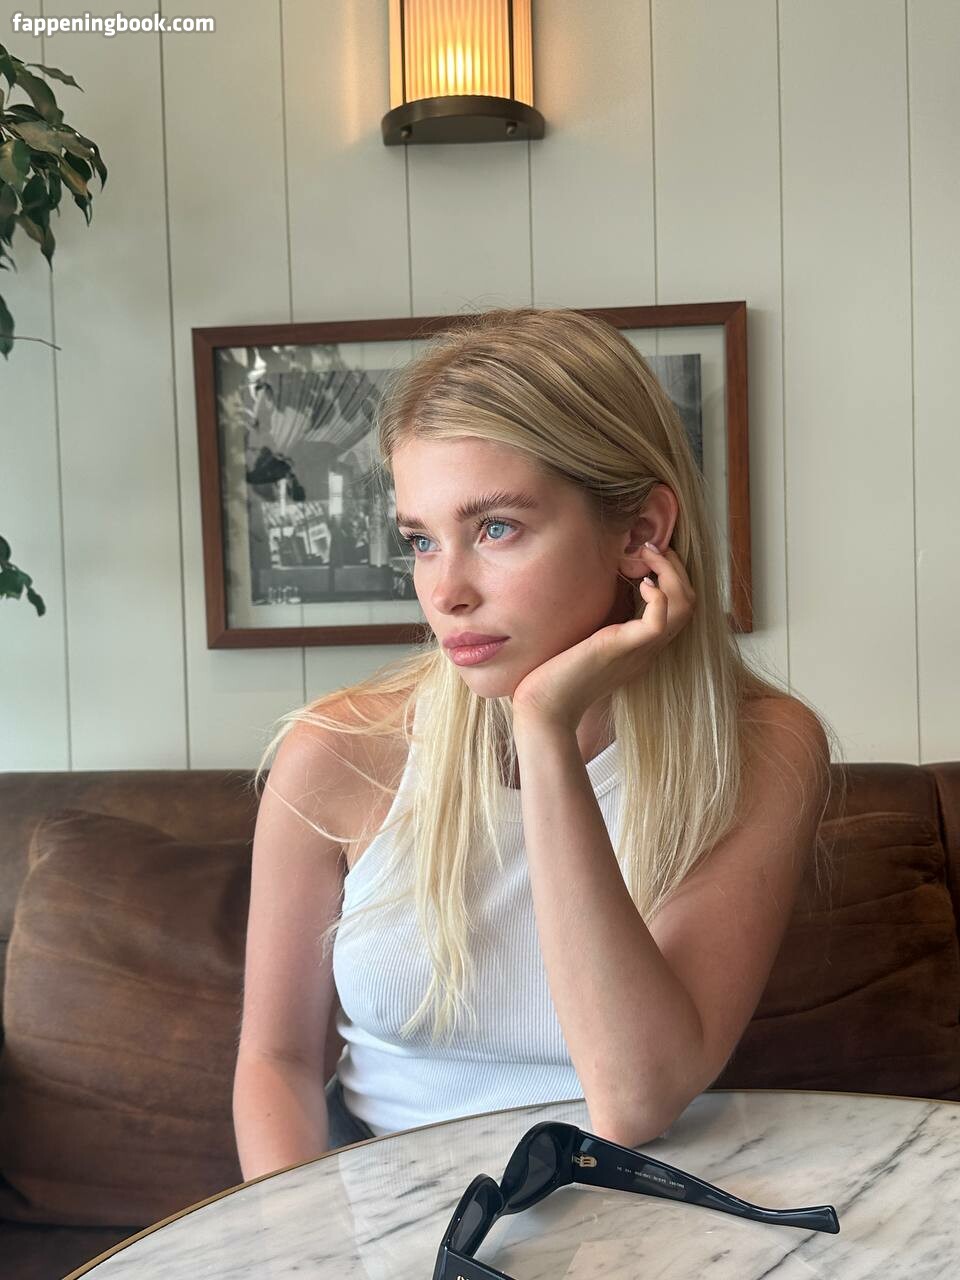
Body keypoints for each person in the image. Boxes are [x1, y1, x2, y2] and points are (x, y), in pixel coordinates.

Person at [232, 306, 843, 1181]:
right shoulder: (336, 751)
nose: (446, 591)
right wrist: (302, 1245)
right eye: (421, 541)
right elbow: (277, 1063)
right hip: (381, 1220)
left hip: (640, 1215)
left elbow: (636, 1098)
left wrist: (546, 729)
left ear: (640, 533)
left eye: (496, 529)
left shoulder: (758, 749)